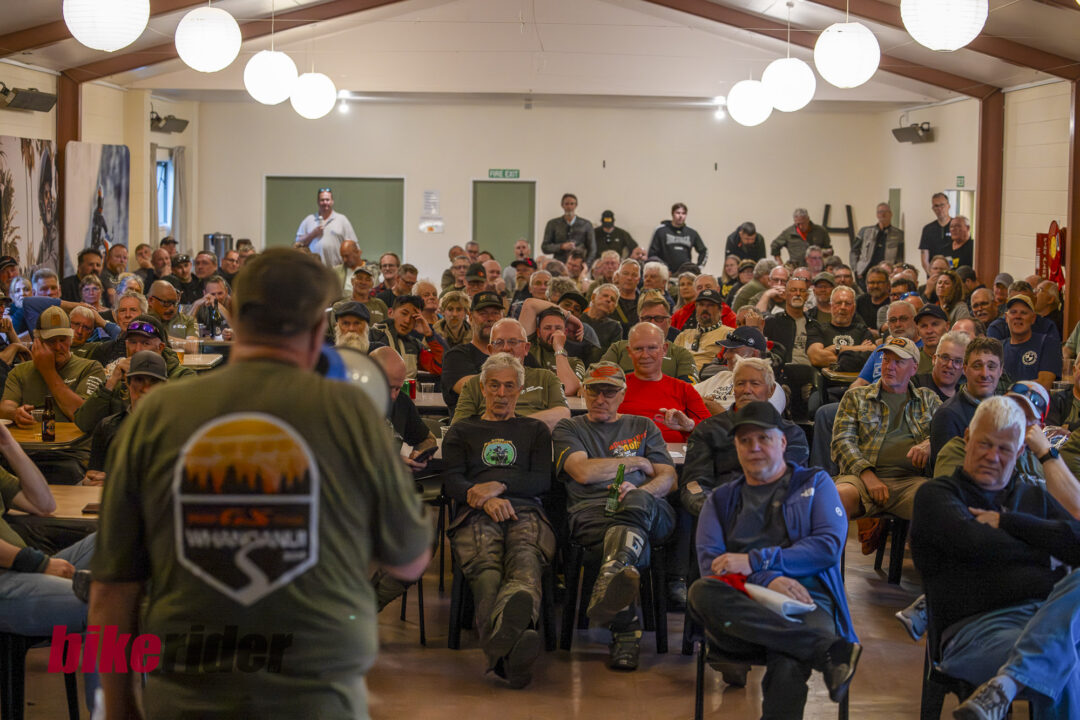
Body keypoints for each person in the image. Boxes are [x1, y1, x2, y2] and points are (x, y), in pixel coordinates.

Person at [89, 248, 431, 719]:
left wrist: (117, 708)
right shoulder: (351, 412)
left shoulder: (157, 412)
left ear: (235, 316)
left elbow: (111, 590)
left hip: (186, 694)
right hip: (315, 694)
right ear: (318, 330)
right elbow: (410, 559)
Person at [910, 396, 1080, 720]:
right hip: (974, 633)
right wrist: (1052, 559)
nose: (992, 456)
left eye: (1004, 449)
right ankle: (1010, 680)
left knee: (1061, 653)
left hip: (1044, 620)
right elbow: (976, 546)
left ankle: (1006, 683)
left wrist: (1009, 523)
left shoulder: (1032, 498)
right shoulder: (937, 496)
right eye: (984, 444)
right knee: (1064, 663)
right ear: (967, 440)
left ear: (1018, 453)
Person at [689, 401, 861, 715]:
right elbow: (711, 566)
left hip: (809, 602)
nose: (754, 447)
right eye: (744, 440)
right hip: (742, 614)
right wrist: (769, 579)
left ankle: (810, 645)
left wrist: (755, 561)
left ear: (782, 442)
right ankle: (825, 651)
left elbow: (827, 546)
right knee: (702, 592)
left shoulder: (815, 483)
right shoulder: (721, 500)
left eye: (763, 438)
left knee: (789, 661)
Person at [553, 362, 677, 671]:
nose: (600, 399)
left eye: (609, 392)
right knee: (628, 539)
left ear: (623, 395)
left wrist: (640, 494)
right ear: (583, 391)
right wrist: (636, 462)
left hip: (650, 511)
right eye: (594, 391)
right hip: (593, 512)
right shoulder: (570, 427)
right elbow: (582, 471)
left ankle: (613, 591)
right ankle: (624, 627)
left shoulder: (644, 426)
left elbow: (669, 478)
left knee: (634, 505)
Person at [443, 353, 555, 688]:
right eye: (494, 385)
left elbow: (542, 481)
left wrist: (500, 486)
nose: (501, 393)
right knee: (486, 565)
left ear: (520, 390)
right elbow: (452, 480)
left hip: (526, 510)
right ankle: (510, 653)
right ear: (482, 388)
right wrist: (484, 498)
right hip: (475, 511)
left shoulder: (534, 429)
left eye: (509, 386)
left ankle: (499, 648)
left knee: (524, 556)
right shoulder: (462, 429)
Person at [0, 418, 99, 712]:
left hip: (23, 569)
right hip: (8, 577)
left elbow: (44, 504)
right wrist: (39, 563)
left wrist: (7, 442)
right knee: (104, 603)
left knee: (115, 540)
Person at [832, 336, 940, 551]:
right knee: (837, 496)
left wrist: (930, 443)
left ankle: (930, 578)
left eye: (898, 362)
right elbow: (842, 441)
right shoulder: (856, 396)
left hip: (910, 481)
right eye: (885, 360)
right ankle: (827, 573)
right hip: (861, 479)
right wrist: (867, 475)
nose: (889, 367)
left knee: (939, 501)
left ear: (914, 368)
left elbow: (946, 435)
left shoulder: (928, 399)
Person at [683, 359, 807, 513]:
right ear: (733, 390)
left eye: (755, 384)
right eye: (740, 384)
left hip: (773, 513)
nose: (746, 390)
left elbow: (792, 483)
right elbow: (694, 483)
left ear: (771, 390)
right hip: (720, 511)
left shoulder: (791, 433)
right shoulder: (708, 429)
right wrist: (713, 509)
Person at [73, 313, 196, 435]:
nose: (137, 349)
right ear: (126, 345)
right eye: (132, 342)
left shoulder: (183, 378)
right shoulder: (119, 379)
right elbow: (84, 423)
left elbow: (190, 423)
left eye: (145, 343)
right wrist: (110, 383)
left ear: (160, 347)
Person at [452, 318, 569, 430]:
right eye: (499, 342)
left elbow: (563, 414)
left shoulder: (546, 378)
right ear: (490, 350)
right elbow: (458, 427)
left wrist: (513, 428)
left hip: (533, 444)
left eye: (513, 342)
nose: (506, 348)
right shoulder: (475, 384)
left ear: (526, 348)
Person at [83, 350, 170, 486]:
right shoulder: (107, 426)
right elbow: (92, 474)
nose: (146, 389)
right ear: (127, 382)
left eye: (154, 381)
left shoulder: (174, 429)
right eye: (139, 380)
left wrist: (116, 482)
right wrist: (91, 482)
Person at [618, 323, 709, 443]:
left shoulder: (684, 389)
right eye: (638, 349)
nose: (645, 355)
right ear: (629, 352)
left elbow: (712, 429)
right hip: (624, 458)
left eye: (652, 348)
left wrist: (689, 425)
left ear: (664, 349)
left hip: (674, 459)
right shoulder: (615, 388)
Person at [599, 293, 698, 384]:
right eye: (647, 318)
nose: (652, 323)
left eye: (659, 318)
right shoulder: (619, 348)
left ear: (669, 322)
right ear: (639, 321)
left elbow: (688, 390)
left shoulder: (681, 354)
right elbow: (599, 377)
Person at [694, 327, 786, 416]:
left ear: (754, 354)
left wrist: (711, 407)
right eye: (726, 350)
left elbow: (757, 424)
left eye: (733, 351)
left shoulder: (770, 388)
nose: (725, 356)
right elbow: (686, 394)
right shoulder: (722, 376)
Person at [441, 291, 506, 414]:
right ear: (470, 318)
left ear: (503, 318)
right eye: (483, 313)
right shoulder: (456, 356)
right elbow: (475, 390)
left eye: (495, 313)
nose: (490, 318)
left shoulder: (516, 353)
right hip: (472, 428)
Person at [369, 295, 446, 379]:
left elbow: (441, 367)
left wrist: (429, 334)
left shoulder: (414, 345)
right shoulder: (372, 336)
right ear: (390, 313)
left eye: (414, 317)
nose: (407, 321)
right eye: (404, 313)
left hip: (410, 391)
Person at [806, 286, 875, 370]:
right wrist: (860, 349)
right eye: (838, 303)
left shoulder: (863, 330)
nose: (843, 307)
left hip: (858, 381)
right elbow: (816, 357)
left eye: (848, 303)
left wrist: (836, 348)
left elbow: (873, 355)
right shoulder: (818, 329)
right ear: (831, 306)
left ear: (853, 308)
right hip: (827, 382)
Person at [1002, 295, 1059, 391]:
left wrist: (1010, 392)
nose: (1018, 316)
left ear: (1033, 318)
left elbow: (1044, 384)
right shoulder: (998, 348)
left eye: (1023, 313)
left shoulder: (1048, 344)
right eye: (1013, 312)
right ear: (1006, 318)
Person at [673, 289, 733, 371]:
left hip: (707, 379)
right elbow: (671, 361)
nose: (705, 308)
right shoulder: (683, 335)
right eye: (701, 305)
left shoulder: (728, 334)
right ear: (696, 308)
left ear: (720, 310)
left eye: (710, 305)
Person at [294, 187, 356, 266]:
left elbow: (353, 245)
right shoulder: (308, 220)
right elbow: (297, 244)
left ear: (332, 201)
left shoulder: (342, 220)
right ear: (318, 202)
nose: (325, 202)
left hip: (337, 269)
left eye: (327, 200)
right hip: (314, 270)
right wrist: (313, 234)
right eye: (322, 200)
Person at [852, 203, 904, 288]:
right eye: (880, 212)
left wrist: (896, 271)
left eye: (885, 212)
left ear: (891, 214)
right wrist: (856, 269)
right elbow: (854, 250)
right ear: (877, 214)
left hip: (886, 273)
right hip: (864, 272)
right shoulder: (865, 231)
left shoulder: (899, 234)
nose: (882, 214)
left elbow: (900, 256)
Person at [647, 203, 707, 272]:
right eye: (678, 213)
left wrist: (698, 268)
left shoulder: (692, 233)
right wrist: (660, 269)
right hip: (665, 272)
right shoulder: (661, 231)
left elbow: (703, 251)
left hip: (685, 273)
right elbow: (652, 254)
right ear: (672, 214)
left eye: (683, 213)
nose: (681, 216)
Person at [541, 193, 595, 263]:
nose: (569, 207)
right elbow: (545, 247)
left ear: (576, 205)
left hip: (579, 264)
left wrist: (587, 265)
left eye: (572, 204)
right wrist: (561, 246)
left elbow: (592, 249)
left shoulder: (586, 224)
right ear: (562, 205)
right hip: (559, 265)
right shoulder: (553, 224)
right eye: (566, 204)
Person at [918, 192, 953, 276]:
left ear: (948, 206)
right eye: (936, 206)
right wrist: (932, 276)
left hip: (953, 273)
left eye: (942, 205)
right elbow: (924, 260)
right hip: (933, 275)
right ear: (933, 208)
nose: (940, 209)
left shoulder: (956, 226)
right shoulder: (928, 229)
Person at [855, 265, 891, 331]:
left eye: (879, 282)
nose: (875, 286)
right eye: (871, 282)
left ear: (888, 284)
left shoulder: (892, 302)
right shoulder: (860, 301)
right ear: (866, 284)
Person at [613, 259, 641, 335]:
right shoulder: (608, 298)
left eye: (634, 275)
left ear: (638, 279)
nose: (629, 278)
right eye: (625, 273)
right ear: (618, 276)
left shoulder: (644, 302)